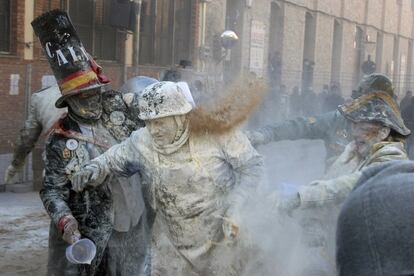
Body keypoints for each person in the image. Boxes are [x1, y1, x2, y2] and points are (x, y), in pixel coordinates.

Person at [71, 81, 264, 275]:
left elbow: (252, 167)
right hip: (170, 242)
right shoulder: (142, 140)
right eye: (148, 123)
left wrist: (237, 206)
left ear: (181, 117)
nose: (153, 130)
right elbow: (113, 159)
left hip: (220, 234)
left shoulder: (217, 132)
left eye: (160, 122)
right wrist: (92, 168)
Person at [32, 10, 152, 275]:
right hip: (98, 230)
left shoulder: (117, 106)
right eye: (84, 96)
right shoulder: (60, 139)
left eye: (95, 92)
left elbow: (148, 137)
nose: (93, 100)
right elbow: (52, 191)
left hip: (136, 220)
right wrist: (67, 223)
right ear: (69, 100)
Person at [247, 73, 396, 166]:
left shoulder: (391, 138)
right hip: (325, 204)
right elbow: (303, 126)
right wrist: (267, 134)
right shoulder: (339, 120)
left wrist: (306, 196)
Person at [336, 160, 414, 276]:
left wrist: (303, 195)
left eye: (362, 142)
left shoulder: (387, 152)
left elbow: (342, 185)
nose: (357, 144)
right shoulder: (353, 153)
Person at [3, 85, 66, 186]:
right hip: (95, 167)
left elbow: (27, 138)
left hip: (56, 167)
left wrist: (16, 165)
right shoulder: (98, 89)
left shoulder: (42, 97)